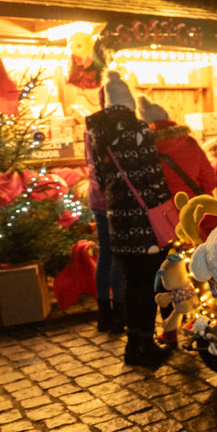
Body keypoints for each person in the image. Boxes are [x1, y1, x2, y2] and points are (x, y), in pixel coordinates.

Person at [85, 71, 172, 370]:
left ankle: (133, 346)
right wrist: (165, 210)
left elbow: (105, 177)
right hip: (144, 223)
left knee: (129, 280)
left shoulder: (98, 134)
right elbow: (152, 178)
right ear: (129, 103)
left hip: (117, 220)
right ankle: (146, 345)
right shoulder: (139, 131)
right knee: (146, 284)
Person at [139, 95, 217, 217]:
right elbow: (210, 179)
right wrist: (202, 197)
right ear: (167, 118)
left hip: (168, 217)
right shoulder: (189, 142)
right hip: (198, 210)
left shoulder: (145, 151)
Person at [84, 127, 125, 335]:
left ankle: (103, 315)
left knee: (105, 255)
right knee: (117, 255)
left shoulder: (90, 130)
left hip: (96, 197)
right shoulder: (114, 127)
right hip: (114, 198)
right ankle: (119, 313)